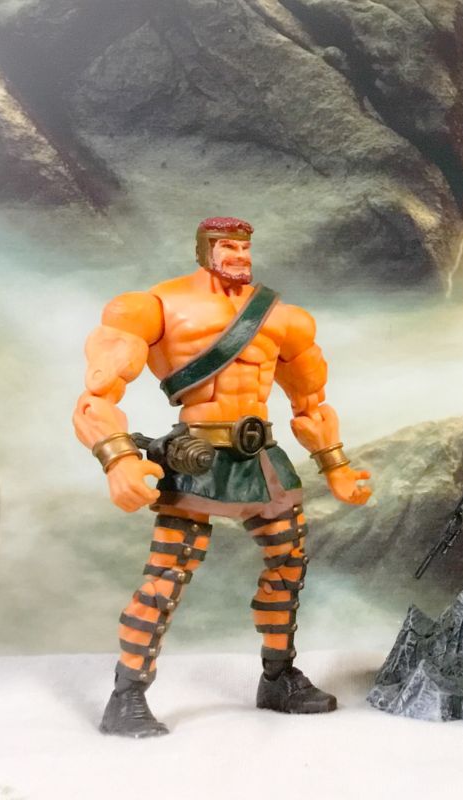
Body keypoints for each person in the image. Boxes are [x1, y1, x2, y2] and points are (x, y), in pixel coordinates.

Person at [73, 216, 372, 737]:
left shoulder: (284, 319)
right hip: (197, 459)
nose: (238, 255)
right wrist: (119, 461)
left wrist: (337, 466)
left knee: (288, 563)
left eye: (244, 246)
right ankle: (126, 696)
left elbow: (310, 404)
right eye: (227, 245)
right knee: (166, 577)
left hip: (262, 458)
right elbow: (95, 398)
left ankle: (278, 678)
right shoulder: (154, 306)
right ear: (204, 248)